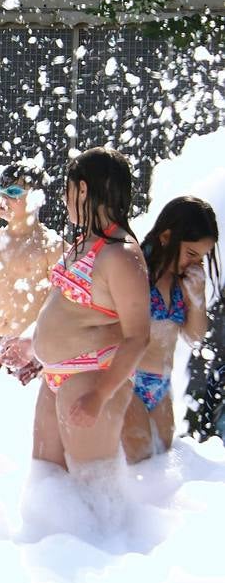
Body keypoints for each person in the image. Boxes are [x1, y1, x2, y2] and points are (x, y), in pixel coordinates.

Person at [31, 147, 150, 476]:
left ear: (83, 189)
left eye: (68, 190)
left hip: (92, 380)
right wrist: (32, 344)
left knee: (93, 487)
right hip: (56, 376)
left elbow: (138, 336)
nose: (65, 199)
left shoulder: (121, 254)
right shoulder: (86, 242)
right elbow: (69, 311)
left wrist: (100, 394)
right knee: (47, 481)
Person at [122, 196, 217, 462]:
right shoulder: (137, 271)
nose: (195, 264)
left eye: (201, 258)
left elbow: (195, 336)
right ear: (166, 237)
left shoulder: (181, 284)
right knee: (137, 454)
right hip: (130, 380)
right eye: (191, 254)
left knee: (162, 455)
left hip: (162, 384)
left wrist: (197, 300)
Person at [0, 162, 65, 386]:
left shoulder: (52, 247)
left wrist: (34, 342)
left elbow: (65, 305)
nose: (2, 200)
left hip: (31, 348)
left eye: (13, 193)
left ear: (36, 198)